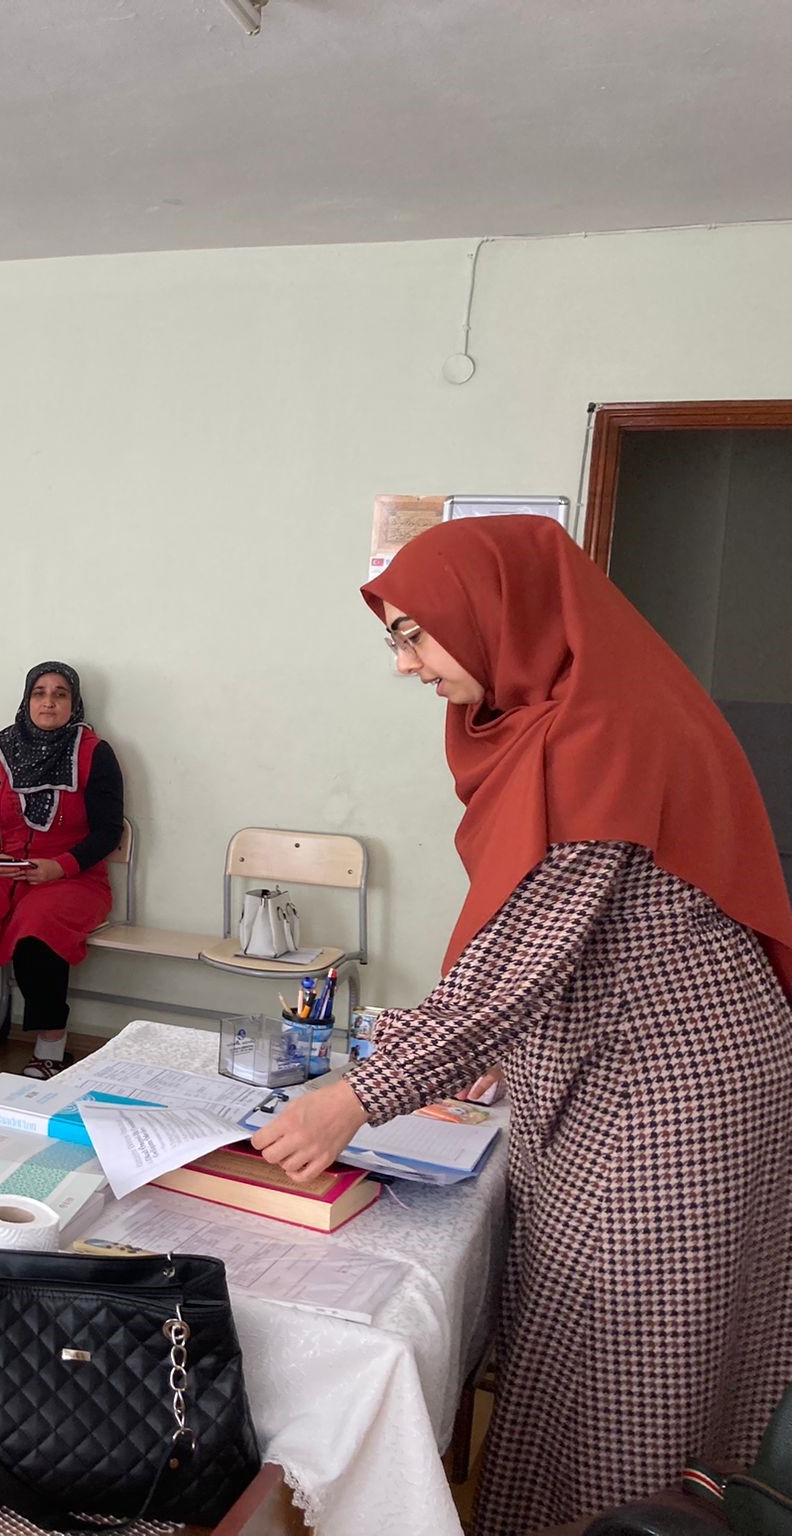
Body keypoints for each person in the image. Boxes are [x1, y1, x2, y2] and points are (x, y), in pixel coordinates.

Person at [248, 516, 792, 1536]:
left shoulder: (601, 739)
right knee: (615, 1329)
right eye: (393, 640)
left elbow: (503, 974)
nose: (405, 665)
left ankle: (614, 1525)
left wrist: (351, 1099)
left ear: (491, 612)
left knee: (623, 1344)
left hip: (667, 1089)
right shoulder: (578, 714)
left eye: (414, 634)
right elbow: (567, 949)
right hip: (650, 1052)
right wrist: (490, 1049)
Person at [0, 662, 123, 1080]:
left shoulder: (94, 752)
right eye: (40, 692)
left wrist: (59, 867)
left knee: (37, 927)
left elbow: (108, 830)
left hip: (74, 876)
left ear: (73, 703)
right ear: (27, 700)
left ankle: (50, 1046)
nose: (48, 702)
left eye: (60, 694)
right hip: (4, 867)